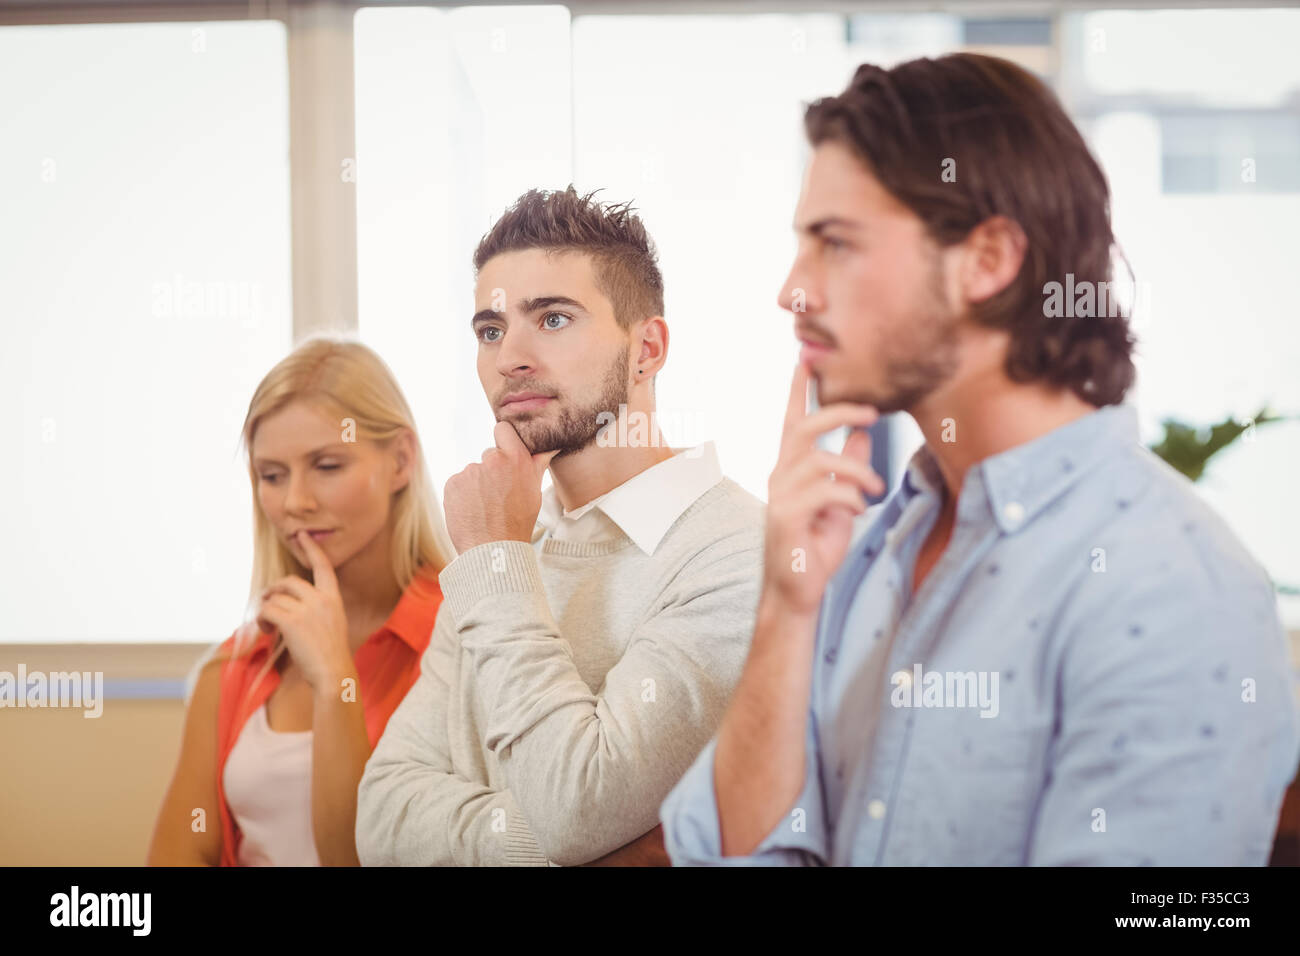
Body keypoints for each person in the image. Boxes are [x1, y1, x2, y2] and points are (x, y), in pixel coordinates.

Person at [660, 53, 1300, 865]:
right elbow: (732, 855)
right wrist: (784, 614)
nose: (793, 289)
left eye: (835, 244)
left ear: (989, 261)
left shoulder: (1174, 590)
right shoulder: (866, 548)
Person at [355, 187, 764, 866]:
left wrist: (495, 563)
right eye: (491, 329)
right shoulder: (503, 543)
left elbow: (577, 806)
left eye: (552, 319)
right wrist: (549, 845)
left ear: (647, 348)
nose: (510, 356)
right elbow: (381, 819)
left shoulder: (739, 554)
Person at [148, 337, 455, 866]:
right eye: (272, 475)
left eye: (328, 466)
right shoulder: (232, 667)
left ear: (401, 460)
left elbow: (361, 857)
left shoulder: (465, 639)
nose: (294, 502)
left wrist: (335, 679)